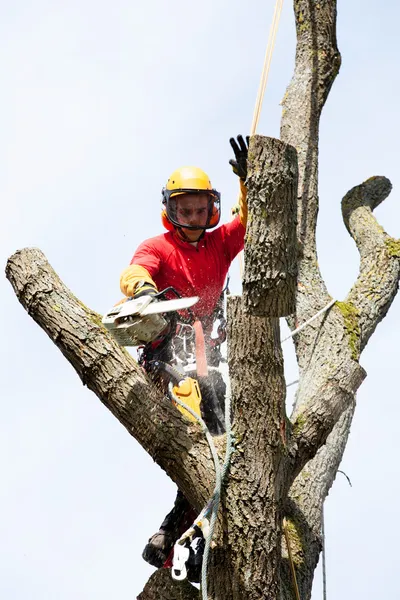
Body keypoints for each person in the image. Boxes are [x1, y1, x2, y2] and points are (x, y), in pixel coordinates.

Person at [119, 135, 249, 574]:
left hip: (205, 354)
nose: (192, 218)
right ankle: (182, 535)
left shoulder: (221, 244)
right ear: (170, 211)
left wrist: (249, 181)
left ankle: (172, 539)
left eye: (199, 210)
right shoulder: (158, 247)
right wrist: (143, 290)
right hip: (165, 360)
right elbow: (136, 270)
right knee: (208, 415)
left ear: (211, 208)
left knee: (219, 442)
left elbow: (248, 223)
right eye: (184, 210)